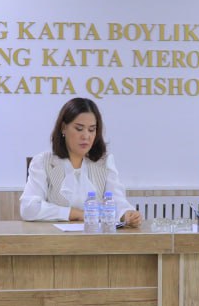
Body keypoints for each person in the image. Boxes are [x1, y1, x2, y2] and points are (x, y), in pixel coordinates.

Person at [20, 97, 143, 227]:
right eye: (79, 129)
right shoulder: (43, 162)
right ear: (63, 128)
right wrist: (75, 214)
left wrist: (127, 213)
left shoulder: (104, 161)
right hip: (54, 237)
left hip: (96, 237)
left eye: (91, 130)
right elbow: (28, 208)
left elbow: (117, 200)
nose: (86, 136)